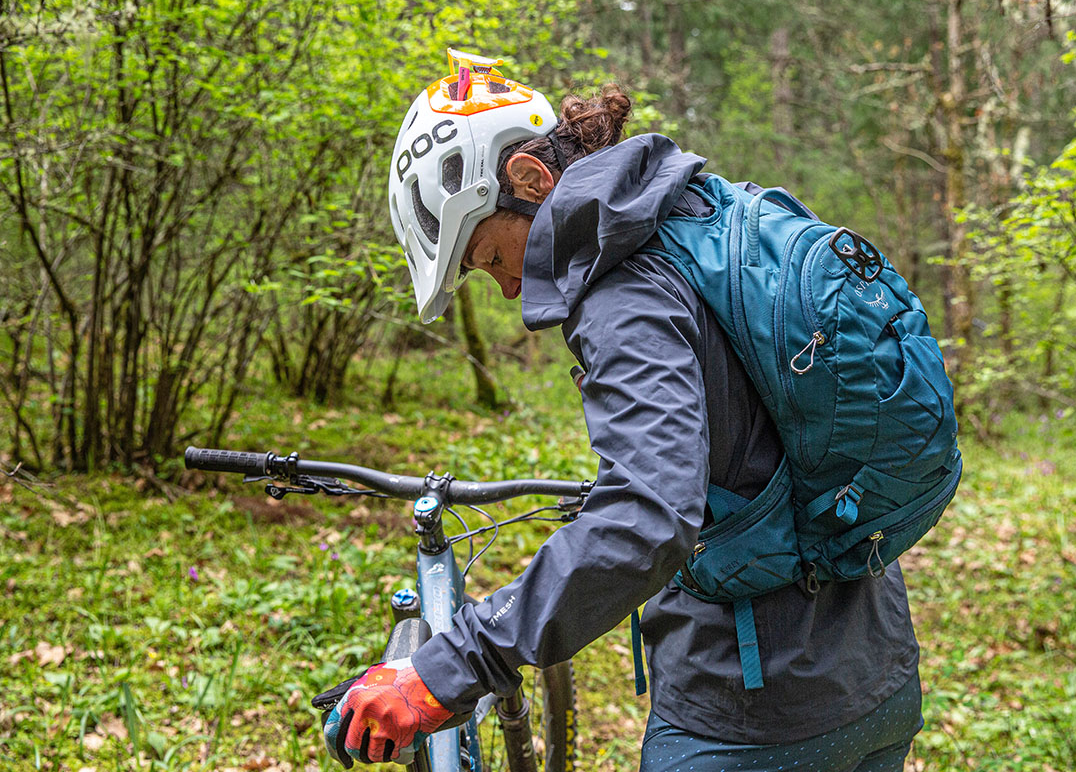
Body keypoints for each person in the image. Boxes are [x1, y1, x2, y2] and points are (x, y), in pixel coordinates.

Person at [323, 55, 924, 771]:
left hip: (752, 720)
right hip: (877, 673)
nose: (508, 289)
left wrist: (446, 669)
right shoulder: (702, 212)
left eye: (488, 256)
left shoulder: (624, 291)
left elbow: (646, 517)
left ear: (530, 180)